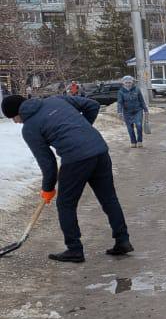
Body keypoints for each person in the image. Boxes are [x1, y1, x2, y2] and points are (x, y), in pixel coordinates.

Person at [2, 91, 132, 263]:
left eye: (13, 118)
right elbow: (92, 105)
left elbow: (48, 164)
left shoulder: (30, 128)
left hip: (76, 159)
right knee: (108, 198)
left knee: (65, 204)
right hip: (99, 149)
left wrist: (47, 189)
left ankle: (74, 249)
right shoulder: (56, 100)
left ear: (17, 113)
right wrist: (84, 130)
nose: (15, 122)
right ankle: (122, 241)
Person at [116, 75, 149, 148]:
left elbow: (141, 101)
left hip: (138, 110)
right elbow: (120, 103)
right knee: (130, 128)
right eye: (126, 82)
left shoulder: (137, 89)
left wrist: (146, 110)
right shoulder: (121, 92)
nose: (128, 84)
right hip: (127, 112)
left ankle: (139, 141)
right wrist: (119, 112)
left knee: (139, 125)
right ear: (123, 83)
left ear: (132, 82)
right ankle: (133, 142)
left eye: (130, 82)